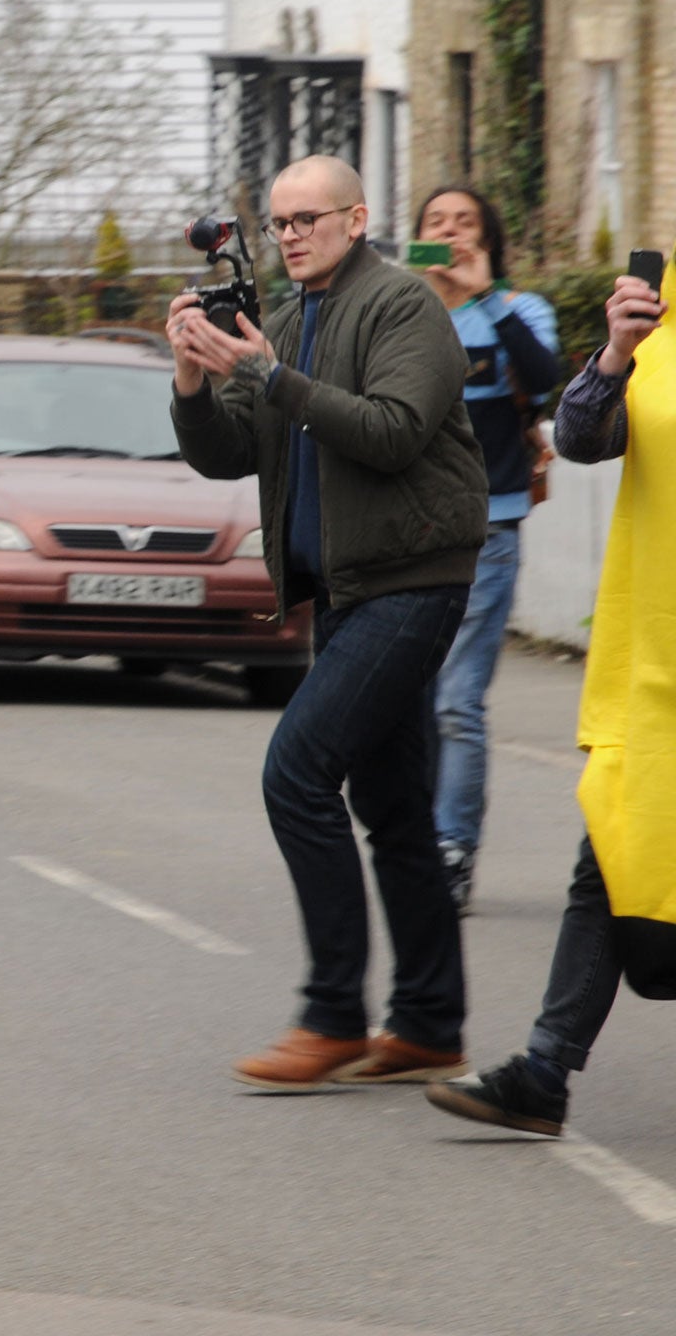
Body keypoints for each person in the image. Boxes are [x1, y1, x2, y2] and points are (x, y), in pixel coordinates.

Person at [167, 154, 489, 1091]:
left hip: (413, 579)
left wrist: (270, 378)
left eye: (309, 218)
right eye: (278, 222)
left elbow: (393, 429)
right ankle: (430, 1024)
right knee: (391, 808)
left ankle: (334, 1014)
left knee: (297, 774)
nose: (291, 234)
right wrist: (193, 379)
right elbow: (228, 453)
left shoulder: (400, 305)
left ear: (355, 219)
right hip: (343, 587)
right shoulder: (280, 317)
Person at [427, 265, 674, 1136]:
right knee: (610, 851)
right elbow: (578, 438)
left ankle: (544, 1069)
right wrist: (615, 352)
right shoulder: (661, 328)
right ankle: (544, 1071)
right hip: (656, 658)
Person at [412, 186, 561, 912]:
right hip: (408, 534)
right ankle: (418, 840)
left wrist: (486, 298)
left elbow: (544, 381)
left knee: (457, 700)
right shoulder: (399, 314)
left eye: (465, 223)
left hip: (489, 528)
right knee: (416, 694)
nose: (450, 234)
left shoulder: (521, 311)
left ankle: (452, 850)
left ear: (490, 240)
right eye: (436, 224)